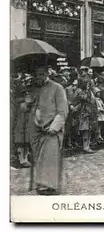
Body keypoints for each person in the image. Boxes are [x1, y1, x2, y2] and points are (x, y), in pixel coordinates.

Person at [29, 63, 69, 195]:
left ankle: (50, 185)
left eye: (41, 74)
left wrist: (55, 127)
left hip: (52, 129)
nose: (39, 77)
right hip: (37, 129)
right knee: (39, 157)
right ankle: (41, 183)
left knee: (50, 157)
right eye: (37, 74)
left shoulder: (57, 88)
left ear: (47, 73)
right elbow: (31, 108)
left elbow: (63, 110)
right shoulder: (33, 89)